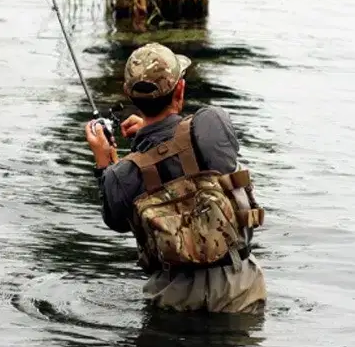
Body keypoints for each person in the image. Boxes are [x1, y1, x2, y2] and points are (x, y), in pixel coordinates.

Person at [84, 42, 267, 314]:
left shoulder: (120, 176)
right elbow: (190, 144)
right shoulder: (212, 123)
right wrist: (152, 129)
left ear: (128, 94)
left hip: (172, 297)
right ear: (180, 89)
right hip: (238, 287)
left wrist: (105, 164)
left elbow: (116, 221)